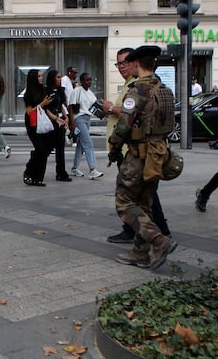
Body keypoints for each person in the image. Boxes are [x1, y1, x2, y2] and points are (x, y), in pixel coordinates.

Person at [109, 45, 177, 270]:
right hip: (158, 154)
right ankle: (140, 253)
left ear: (137, 63)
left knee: (124, 202)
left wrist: (114, 147)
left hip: (139, 156)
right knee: (145, 204)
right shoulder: (164, 89)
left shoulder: (138, 90)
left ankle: (159, 241)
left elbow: (123, 125)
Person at [68, 72, 103, 179]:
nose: (89, 82)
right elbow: (70, 107)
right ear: (82, 81)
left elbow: (94, 108)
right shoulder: (76, 91)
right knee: (88, 143)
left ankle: (74, 168)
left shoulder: (91, 93)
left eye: (90, 80)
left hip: (87, 119)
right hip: (79, 119)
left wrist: (105, 114)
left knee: (81, 145)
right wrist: (72, 122)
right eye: (87, 80)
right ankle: (93, 169)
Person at [22, 69, 54, 187]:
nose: (41, 78)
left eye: (42, 76)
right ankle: (29, 171)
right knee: (40, 149)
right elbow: (29, 111)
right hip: (33, 123)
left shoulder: (43, 90)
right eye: (39, 76)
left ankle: (39, 178)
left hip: (44, 121)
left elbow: (46, 109)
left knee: (45, 150)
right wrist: (42, 104)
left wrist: (56, 118)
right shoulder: (28, 93)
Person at [43, 70, 70, 180]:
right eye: (58, 77)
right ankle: (36, 170)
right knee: (46, 149)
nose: (60, 79)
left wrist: (66, 117)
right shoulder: (46, 91)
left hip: (60, 121)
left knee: (60, 149)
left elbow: (61, 106)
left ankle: (61, 172)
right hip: (51, 121)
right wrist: (56, 118)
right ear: (53, 78)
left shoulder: (60, 90)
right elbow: (45, 109)